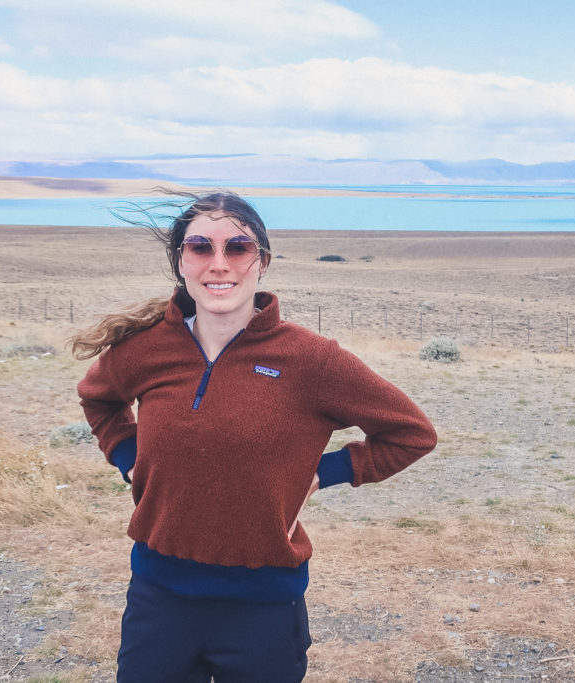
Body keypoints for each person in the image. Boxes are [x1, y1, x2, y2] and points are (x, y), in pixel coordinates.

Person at [70, 191, 437, 682]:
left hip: (262, 608)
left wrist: (323, 473)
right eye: (200, 247)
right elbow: (98, 398)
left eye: (237, 248)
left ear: (261, 262)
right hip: (158, 599)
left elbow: (412, 433)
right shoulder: (147, 348)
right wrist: (128, 454)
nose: (219, 264)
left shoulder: (312, 360)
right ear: (181, 261)